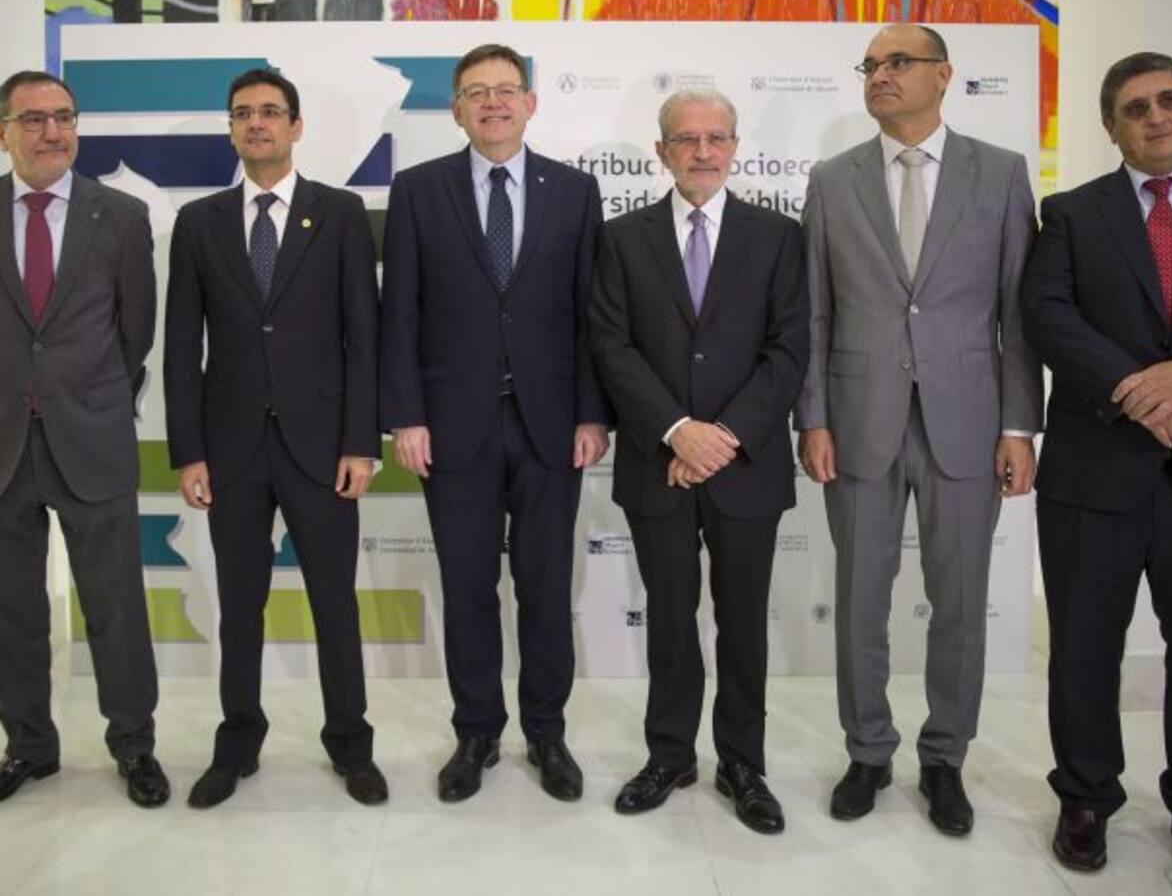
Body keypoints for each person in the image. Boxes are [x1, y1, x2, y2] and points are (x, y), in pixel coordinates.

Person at [794, 23, 1042, 835]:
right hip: (856, 421)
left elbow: (1017, 311)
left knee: (961, 602)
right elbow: (814, 311)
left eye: (899, 62)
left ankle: (945, 758)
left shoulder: (1001, 173)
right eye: (870, 65)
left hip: (968, 421)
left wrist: (1019, 425)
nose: (881, 75)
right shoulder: (832, 180)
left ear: (944, 75)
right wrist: (813, 416)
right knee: (860, 600)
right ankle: (868, 751)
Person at [379, 43, 609, 803]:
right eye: (476, 92)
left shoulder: (575, 191)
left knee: (545, 588)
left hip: (552, 427)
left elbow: (592, 314)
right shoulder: (418, 190)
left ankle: (547, 732)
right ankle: (476, 731)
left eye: (506, 90)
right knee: (468, 587)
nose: (493, 103)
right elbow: (399, 312)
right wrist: (405, 415)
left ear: (530, 103)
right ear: (456, 109)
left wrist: (591, 412)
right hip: (452, 427)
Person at [164, 68, 385, 808]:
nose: (255, 123)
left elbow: (364, 337)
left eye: (269, 111)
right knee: (240, 604)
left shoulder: (341, 213)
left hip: (323, 446)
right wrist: (189, 452)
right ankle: (237, 743)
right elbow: (180, 346)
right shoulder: (199, 222)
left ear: (296, 126)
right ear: (231, 129)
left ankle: (350, 744)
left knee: (334, 604)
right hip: (230, 449)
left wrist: (361, 442)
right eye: (242, 113)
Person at [591, 89, 808, 834]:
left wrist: (722, 438)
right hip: (658, 462)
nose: (703, 151)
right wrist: (678, 431)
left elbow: (789, 348)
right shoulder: (621, 239)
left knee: (743, 621)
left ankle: (742, 762)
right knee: (670, 619)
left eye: (717, 137)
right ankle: (670, 754)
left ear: (735, 146)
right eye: (687, 139)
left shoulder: (778, 236)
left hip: (745, 466)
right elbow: (611, 346)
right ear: (662, 152)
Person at [1022, 51, 1172, 879]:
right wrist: (1138, 387)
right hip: (1095, 468)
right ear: (1110, 126)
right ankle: (1086, 798)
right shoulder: (1070, 212)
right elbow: (1046, 315)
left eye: (1169, 100)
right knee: (1085, 648)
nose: (1156, 117)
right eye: (1136, 108)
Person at [0, 70, 169, 806]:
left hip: (92, 438)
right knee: (13, 610)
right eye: (34, 120)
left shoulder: (120, 216)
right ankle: (29, 746)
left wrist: (89, 397)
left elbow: (136, 333)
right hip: (4, 445)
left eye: (64, 117)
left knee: (115, 606)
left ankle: (134, 745)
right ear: (4, 132)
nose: (53, 133)